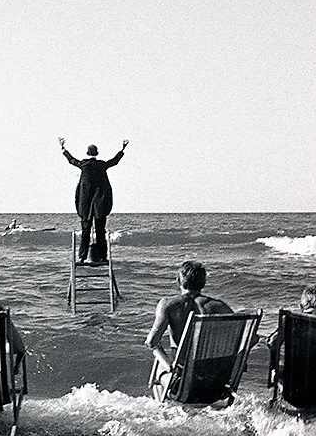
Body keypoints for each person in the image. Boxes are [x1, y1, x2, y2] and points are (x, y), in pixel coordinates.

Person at [145, 261, 235, 375]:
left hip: (183, 374)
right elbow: (250, 338)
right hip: (214, 374)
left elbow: (152, 341)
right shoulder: (219, 306)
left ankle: (171, 373)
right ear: (203, 282)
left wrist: (169, 366)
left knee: (159, 367)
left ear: (178, 281)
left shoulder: (168, 304)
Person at [59, 137, 128, 265]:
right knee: (100, 231)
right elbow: (114, 161)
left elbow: (71, 160)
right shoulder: (101, 165)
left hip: (85, 205)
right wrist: (122, 149)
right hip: (100, 204)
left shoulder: (83, 165)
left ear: (87, 153)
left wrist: (63, 149)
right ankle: (103, 257)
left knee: (85, 232)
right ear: (97, 153)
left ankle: (82, 257)